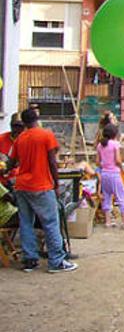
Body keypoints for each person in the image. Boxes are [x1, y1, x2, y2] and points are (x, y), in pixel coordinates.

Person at [10, 109, 76, 272]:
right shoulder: (46, 135)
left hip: (22, 185)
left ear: (23, 123)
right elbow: (53, 162)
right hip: (41, 184)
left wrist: (4, 171)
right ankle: (56, 261)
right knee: (51, 222)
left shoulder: (20, 139)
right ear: (37, 119)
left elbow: (12, 161)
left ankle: (30, 260)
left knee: (26, 222)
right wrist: (56, 183)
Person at [97, 124, 124, 229]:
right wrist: (122, 169)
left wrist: (105, 165)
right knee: (121, 196)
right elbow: (118, 160)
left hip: (104, 173)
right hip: (114, 173)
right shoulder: (115, 144)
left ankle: (108, 221)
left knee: (107, 196)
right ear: (115, 134)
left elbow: (98, 162)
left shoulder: (100, 145)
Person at [0, 119, 25, 186]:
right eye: (14, 126)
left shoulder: (28, 141)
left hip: (20, 180)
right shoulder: (1, 138)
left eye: (20, 126)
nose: (17, 129)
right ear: (10, 126)